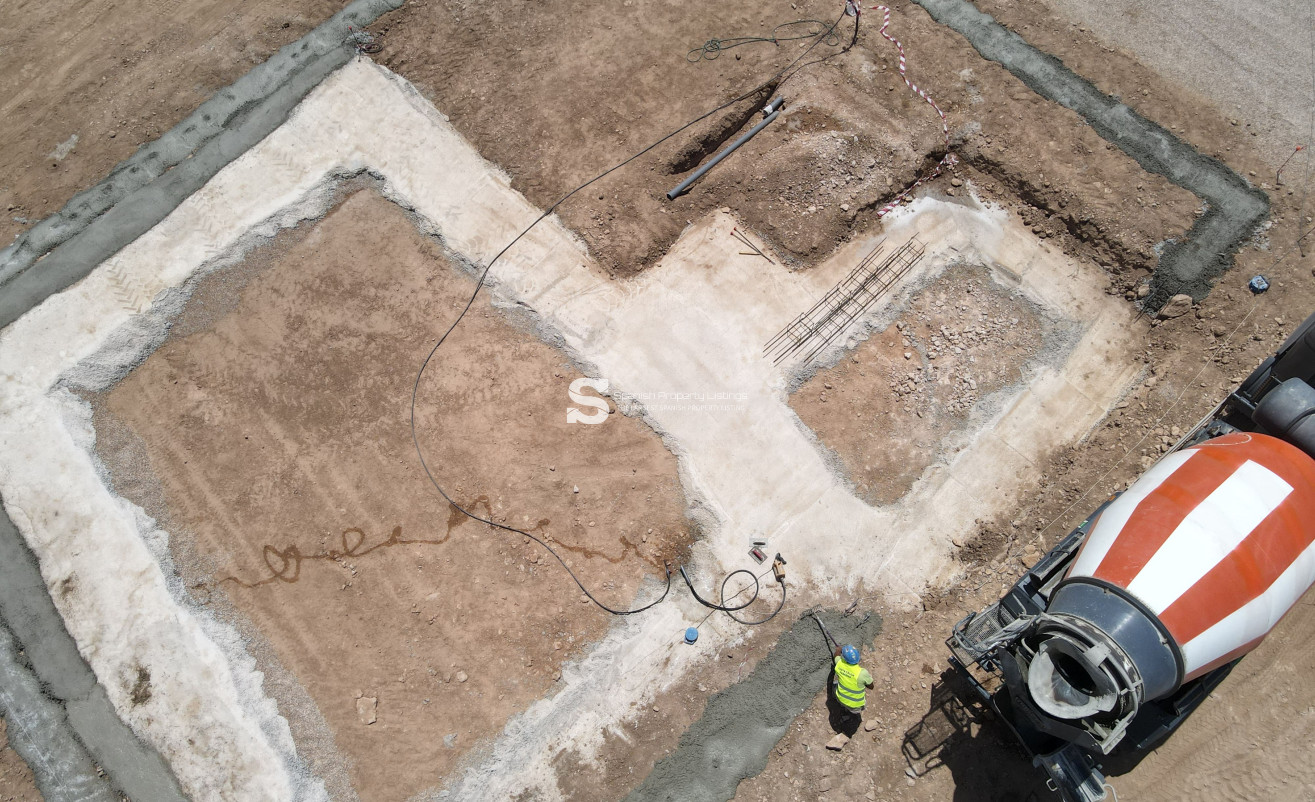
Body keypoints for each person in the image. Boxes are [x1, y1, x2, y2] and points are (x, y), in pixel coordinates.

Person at [831, 643, 874, 721]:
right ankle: (851, 714)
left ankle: (842, 707)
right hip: (856, 708)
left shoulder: (839, 664)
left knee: (835, 684)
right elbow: (871, 687)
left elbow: (836, 656)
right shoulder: (862, 673)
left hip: (841, 699)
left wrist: (838, 650)